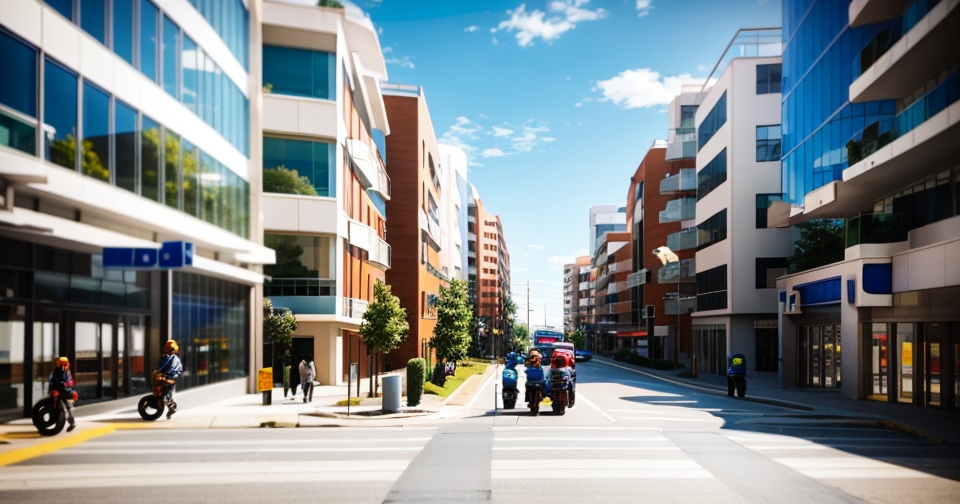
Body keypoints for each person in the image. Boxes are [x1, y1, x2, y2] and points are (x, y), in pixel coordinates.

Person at [49, 357, 77, 432]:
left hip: (64, 392)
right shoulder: (58, 371)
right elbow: (53, 381)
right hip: (59, 391)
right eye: (60, 363)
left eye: (64, 364)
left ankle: (71, 422)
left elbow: (68, 383)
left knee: (66, 408)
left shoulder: (65, 372)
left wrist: (62, 386)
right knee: (64, 408)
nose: (62, 366)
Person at [158, 339, 184, 418]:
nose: (168, 351)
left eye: (170, 349)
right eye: (167, 349)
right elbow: (161, 367)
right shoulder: (165, 358)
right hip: (163, 378)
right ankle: (170, 405)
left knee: (165, 397)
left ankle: (172, 407)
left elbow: (178, 370)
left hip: (169, 379)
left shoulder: (174, 359)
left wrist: (172, 377)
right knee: (162, 394)